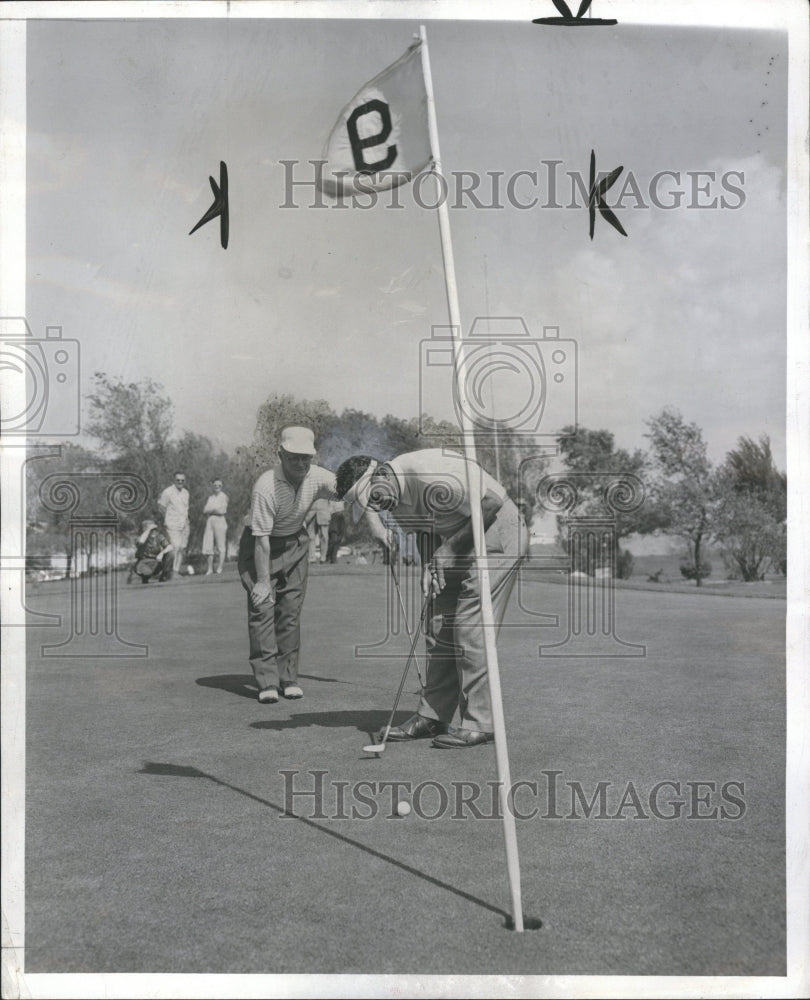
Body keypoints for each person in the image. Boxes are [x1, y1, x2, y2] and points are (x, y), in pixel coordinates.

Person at [335, 449, 528, 749]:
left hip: (498, 533)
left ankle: (482, 722)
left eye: (372, 496)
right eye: (369, 504)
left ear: (382, 472)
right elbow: (426, 531)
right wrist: (432, 571)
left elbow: (490, 503)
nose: (377, 505)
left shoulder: (428, 473)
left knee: (469, 625)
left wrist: (448, 552)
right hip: (456, 542)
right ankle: (433, 716)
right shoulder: (391, 496)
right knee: (437, 620)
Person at [238, 427, 388, 704]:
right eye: (293, 457)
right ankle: (267, 682)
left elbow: (354, 491)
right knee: (263, 609)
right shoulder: (265, 486)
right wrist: (261, 581)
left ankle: (288, 679)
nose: (300, 464)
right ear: (280, 454)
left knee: (290, 612)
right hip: (260, 546)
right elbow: (261, 541)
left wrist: (376, 525)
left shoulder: (317, 475)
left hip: (295, 543)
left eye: (305, 458)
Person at [158, 471, 190, 575]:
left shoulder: (186, 493)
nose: (180, 482)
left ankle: (176, 571)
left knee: (181, 548)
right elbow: (161, 508)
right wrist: (168, 519)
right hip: (172, 524)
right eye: (178, 480)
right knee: (175, 546)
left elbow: (186, 509)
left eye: (182, 480)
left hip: (184, 524)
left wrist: (187, 522)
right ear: (174, 480)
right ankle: (170, 572)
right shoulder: (167, 492)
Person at [131, 519, 174, 584]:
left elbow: (170, 547)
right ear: (144, 529)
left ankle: (163, 576)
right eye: (151, 529)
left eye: (153, 529)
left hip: (156, 561)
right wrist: (148, 530)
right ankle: (145, 578)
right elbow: (141, 542)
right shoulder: (141, 537)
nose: (153, 531)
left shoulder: (158, 536)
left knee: (171, 554)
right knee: (147, 572)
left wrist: (162, 553)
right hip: (144, 562)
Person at [202, 478, 229, 575]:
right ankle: (209, 569)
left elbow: (222, 510)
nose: (217, 487)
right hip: (210, 520)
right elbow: (205, 510)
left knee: (220, 545)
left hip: (220, 520)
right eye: (215, 485)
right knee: (208, 544)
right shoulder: (210, 498)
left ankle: (219, 568)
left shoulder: (224, 497)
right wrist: (214, 509)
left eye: (219, 486)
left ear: (221, 487)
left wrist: (212, 509)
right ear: (213, 486)